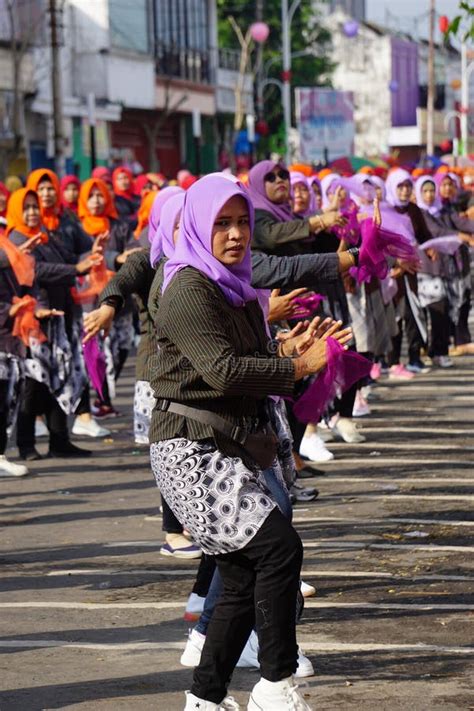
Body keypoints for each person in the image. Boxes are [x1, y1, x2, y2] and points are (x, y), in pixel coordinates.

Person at [148, 174, 352, 710]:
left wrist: (287, 345)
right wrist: (294, 365)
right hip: (189, 450)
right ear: (196, 225)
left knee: (239, 575)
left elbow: (247, 358)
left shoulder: (230, 283)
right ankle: (275, 683)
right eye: (222, 223)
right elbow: (221, 370)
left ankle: (205, 699)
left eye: (241, 222)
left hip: (225, 443)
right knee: (280, 548)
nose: (236, 234)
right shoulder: (188, 285)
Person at [7, 188, 95, 460]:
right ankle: (25, 444)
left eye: (35, 207)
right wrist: (75, 270)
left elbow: (69, 258)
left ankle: (59, 440)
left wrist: (90, 259)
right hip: (33, 319)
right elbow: (38, 270)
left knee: (60, 376)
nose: (33, 212)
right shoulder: (15, 238)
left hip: (59, 316)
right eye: (27, 207)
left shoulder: (45, 235)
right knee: (34, 382)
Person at [385, 169, 431, 375]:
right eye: (400, 186)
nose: (404, 191)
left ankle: (414, 357)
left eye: (408, 186)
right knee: (393, 317)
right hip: (389, 272)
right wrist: (394, 264)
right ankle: (391, 361)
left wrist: (430, 248)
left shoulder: (413, 210)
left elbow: (423, 235)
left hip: (410, 269)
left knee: (412, 313)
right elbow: (377, 243)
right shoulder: (384, 210)